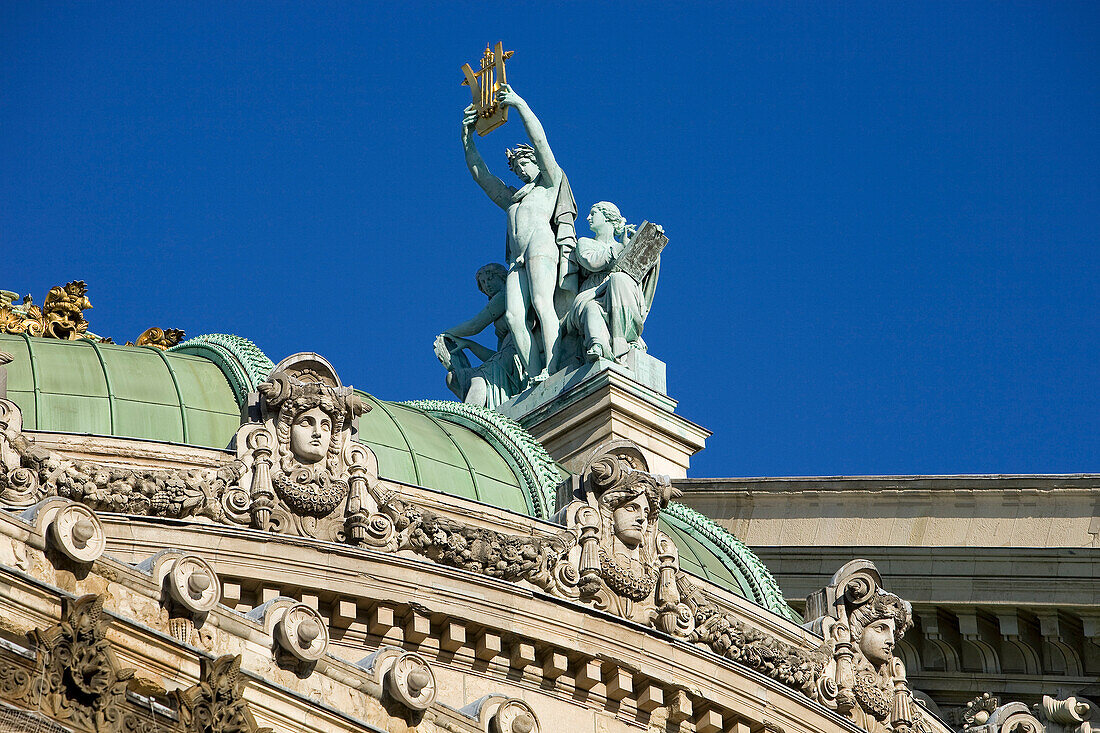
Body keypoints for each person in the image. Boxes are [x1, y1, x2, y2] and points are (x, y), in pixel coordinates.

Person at [461, 84, 577, 383]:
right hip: (517, 259)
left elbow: (540, 141)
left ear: (536, 163)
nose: (521, 170)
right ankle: (533, 373)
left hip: (541, 246)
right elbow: (482, 177)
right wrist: (467, 139)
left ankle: (552, 369)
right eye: (516, 167)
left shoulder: (550, 184)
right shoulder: (512, 199)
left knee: (542, 304)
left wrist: (519, 104)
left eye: (525, 163)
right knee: (514, 317)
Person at [564, 202, 658, 364]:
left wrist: (649, 244)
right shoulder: (585, 243)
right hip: (593, 292)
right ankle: (598, 345)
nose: (588, 218)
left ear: (608, 217)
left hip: (622, 291)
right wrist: (621, 247)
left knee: (619, 279)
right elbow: (592, 263)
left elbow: (643, 270)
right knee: (591, 308)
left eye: (593, 213)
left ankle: (627, 338)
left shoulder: (624, 244)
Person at [434, 263, 521, 409]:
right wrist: (469, 345)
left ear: (502, 278)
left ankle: (470, 422)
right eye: (483, 283)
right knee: (454, 379)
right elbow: (497, 356)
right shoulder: (500, 312)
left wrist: (446, 334)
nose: (487, 285)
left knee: (478, 380)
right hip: (508, 357)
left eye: (490, 279)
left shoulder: (506, 294)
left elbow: (474, 326)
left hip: (518, 357)